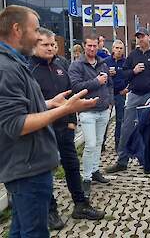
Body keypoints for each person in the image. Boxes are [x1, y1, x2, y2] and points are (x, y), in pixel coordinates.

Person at [0, 5, 101, 238]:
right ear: (17, 29)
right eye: (35, 30)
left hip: (29, 165)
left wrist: (49, 103)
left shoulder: (15, 63)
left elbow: (19, 109)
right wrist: (65, 109)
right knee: (34, 232)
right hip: (27, 170)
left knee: (20, 230)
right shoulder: (6, 68)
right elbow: (16, 124)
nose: (38, 37)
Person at [28, 28, 102, 230]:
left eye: (53, 44)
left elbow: (69, 96)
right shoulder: (28, 68)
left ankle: (80, 204)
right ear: (34, 44)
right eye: (45, 44)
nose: (51, 48)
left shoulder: (62, 64)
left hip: (64, 128)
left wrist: (71, 121)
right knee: (46, 172)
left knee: (71, 166)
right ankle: (50, 211)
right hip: (42, 129)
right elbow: (28, 104)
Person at [105, 27, 150, 173]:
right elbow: (124, 75)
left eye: (142, 36)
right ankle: (122, 161)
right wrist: (134, 71)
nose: (140, 39)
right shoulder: (132, 55)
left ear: (149, 37)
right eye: (138, 37)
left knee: (148, 129)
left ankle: (147, 160)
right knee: (126, 128)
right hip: (134, 95)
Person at [68, 34, 113, 198]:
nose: (93, 49)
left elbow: (110, 85)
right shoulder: (77, 65)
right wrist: (96, 82)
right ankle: (85, 178)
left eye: (95, 46)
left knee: (99, 142)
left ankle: (95, 170)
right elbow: (75, 87)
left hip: (103, 110)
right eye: (89, 46)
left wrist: (110, 101)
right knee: (91, 144)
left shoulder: (103, 63)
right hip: (87, 112)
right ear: (84, 46)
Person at [104, 39, 128, 152]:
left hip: (120, 94)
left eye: (121, 48)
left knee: (120, 120)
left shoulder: (126, 62)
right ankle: (102, 144)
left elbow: (131, 76)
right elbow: (99, 76)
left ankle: (118, 144)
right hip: (107, 95)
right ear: (112, 49)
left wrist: (127, 89)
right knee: (105, 119)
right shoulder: (105, 62)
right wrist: (108, 74)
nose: (118, 50)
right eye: (116, 48)